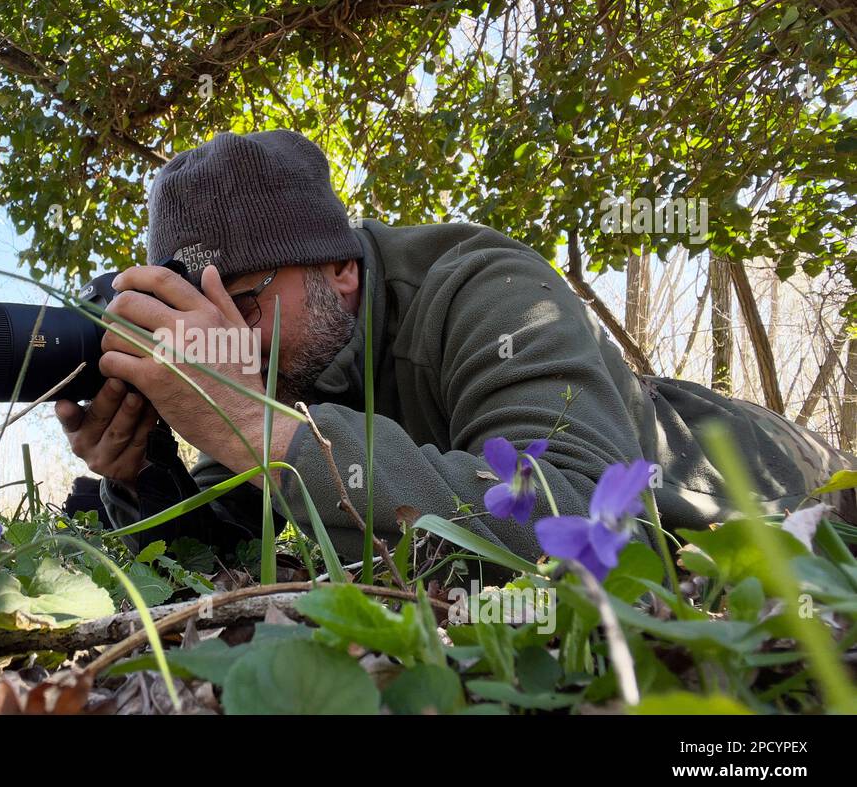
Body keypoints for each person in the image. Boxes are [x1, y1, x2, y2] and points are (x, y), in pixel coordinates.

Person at [55, 129, 856, 564]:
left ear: (341, 269)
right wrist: (144, 472)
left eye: (246, 301)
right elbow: (234, 555)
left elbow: (587, 524)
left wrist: (251, 426)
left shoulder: (483, 286)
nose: (221, 336)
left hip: (777, 476)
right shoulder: (279, 365)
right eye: (197, 311)